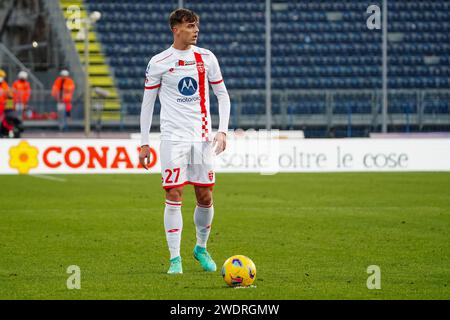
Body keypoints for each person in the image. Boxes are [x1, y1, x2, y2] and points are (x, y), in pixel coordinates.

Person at [139, 8, 230, 274]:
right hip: (172, 139)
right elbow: (148, 103)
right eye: (190, 26)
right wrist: (144, 143)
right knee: (173, 193)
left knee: (205, 194)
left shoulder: (207, 57)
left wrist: (222, 131)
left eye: (197, 25)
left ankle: (200, 247)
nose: (196, 30)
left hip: (202, 139)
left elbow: (222, 95)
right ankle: (174, 259)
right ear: (175, 29)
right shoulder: (159, 61)